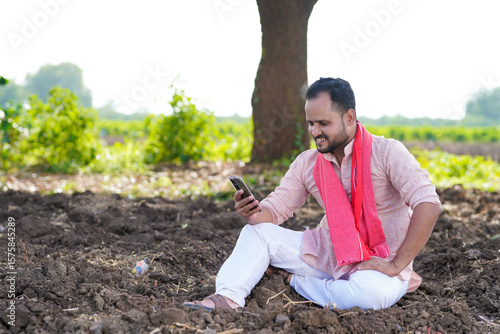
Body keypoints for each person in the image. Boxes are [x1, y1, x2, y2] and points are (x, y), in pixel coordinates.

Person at [183, 77, 442, 311]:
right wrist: (252, 212)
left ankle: (295, 281)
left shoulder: (387, 153)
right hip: (325, 254)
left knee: (370, 296)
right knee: (256, 233)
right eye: (310, 123)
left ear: (349, 118)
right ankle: (226, 299)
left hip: (378, 264)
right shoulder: (308, 163)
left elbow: (428, 205)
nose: (315, 132)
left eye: (323, 123)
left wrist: (396, 265)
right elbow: (274, 211)